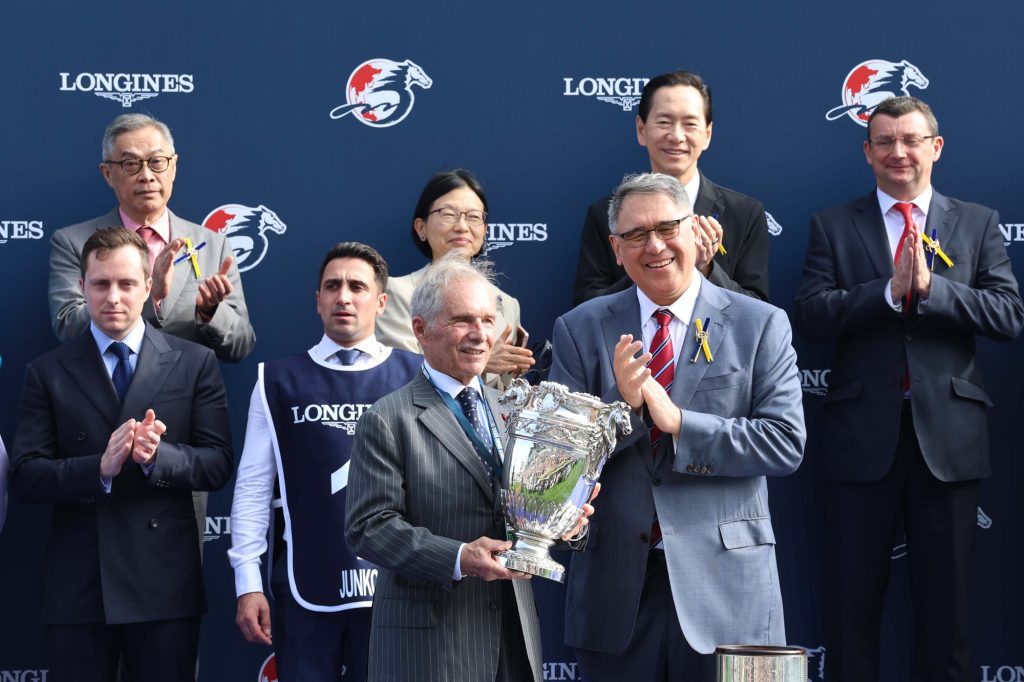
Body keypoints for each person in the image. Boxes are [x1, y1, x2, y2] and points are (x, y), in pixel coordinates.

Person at [794, 96, 1024, 682]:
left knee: (947, 621)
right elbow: (812, 318)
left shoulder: (977, 222)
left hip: (949, 443)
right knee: (851, 615)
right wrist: (888, 294)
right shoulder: (832, 225)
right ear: (867, 152)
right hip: (859, 444)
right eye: (886, 141)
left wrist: (935, 291)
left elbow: (1006, 315)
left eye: (911, 139)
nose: (899, 152)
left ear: (935, 147)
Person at [549, 173, 805, 680]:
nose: (657, 245)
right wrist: (623, 407)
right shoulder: (579, 328)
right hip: (615, 590)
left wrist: (679, 423)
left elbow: (784, 443)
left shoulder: (761, 323)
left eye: (668, 227)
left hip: (729, 590)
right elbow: (558, 465)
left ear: (696, 231)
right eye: (637, 235)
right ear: (616, 249)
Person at [9, 227, 234, 682]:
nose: (114, 297)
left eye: (127, 284)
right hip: (79, 589)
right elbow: (26, 476)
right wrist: (101, 468)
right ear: (81, 287)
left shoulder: (194, 363)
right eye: (101, 284)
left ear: (148, 287)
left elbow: (218, 463)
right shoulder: (46, 372)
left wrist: (158, 459)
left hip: (164, 586)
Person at [347, 255, 582, 682]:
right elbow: (369, 529)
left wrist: (561, 524)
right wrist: (459, 557)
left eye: (488, 320)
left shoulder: (516, 413)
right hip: (430, 649)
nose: (480, 335)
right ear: (420, 329)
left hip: (514, 638)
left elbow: (523, 519)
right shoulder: (388, 418)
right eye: (462, 321)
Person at [229, 242, 421, 681]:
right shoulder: (275, 380)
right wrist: (248, 583)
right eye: (333, 286)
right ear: (318, 301)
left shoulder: (417, 375)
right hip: (304, 587)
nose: (345, 297)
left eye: (358, 286)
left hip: (397, 589)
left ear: (381, 301)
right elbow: (254, 488)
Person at [48, 113, 255, 363]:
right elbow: (69, 329)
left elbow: (240, 346)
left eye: (157, 162)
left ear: (174, 167)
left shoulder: (213, 244)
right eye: (131, 164)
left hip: (187, 396)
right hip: (107, 394)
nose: (146, 175)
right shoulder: (73, 243)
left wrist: (210, 312)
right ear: (107, 174)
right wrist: (148, 296)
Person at [572, 70, 770, 306]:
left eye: (689, 124)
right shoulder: (605, 213)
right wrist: (651, 266)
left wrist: (705, 268)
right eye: (664, 122)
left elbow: (758, 310)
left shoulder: (744, 213)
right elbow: (586, 306)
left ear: (707, 134)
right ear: (641, 129)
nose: (677, 136)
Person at [375, 169, 533, 388]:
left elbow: (503, 395)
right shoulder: (398, 292)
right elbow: (400, 375)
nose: (462, 226)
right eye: (448, 214)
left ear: (484, 230)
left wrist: (511, 372)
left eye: (474, 217)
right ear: (421, 228)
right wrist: (482, 362)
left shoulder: (507, 304)